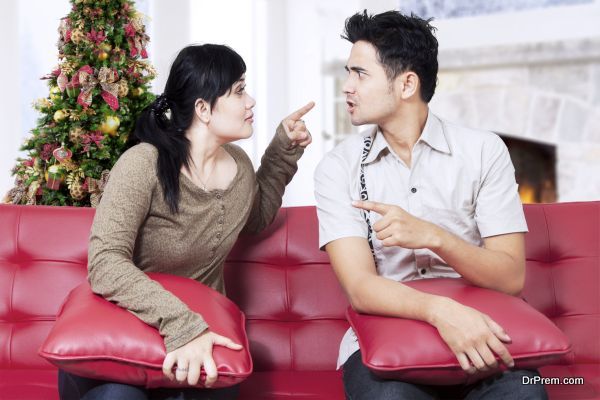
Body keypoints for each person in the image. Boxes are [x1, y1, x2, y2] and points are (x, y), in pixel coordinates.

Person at [59, 44, 314, 400]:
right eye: (239, 90)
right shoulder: (143, 164)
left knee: (219, 388)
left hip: (199, 342)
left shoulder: (238, 166)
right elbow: (105, 264)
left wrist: (283, 150)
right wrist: (183, 325)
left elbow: (254, 218)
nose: (251, 101)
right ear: (203, 109)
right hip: (121, 340)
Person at [314, 10, 547, 400]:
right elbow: (360, 287)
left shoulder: (483, 151)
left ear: (407, 84)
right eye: (347, 73)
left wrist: (434, 237)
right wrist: (440, 312)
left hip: (483, 330)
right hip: (388, 342)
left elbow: (510, 278)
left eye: (360, 74)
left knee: (525, 394)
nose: (347, 87)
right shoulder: (338, 168)